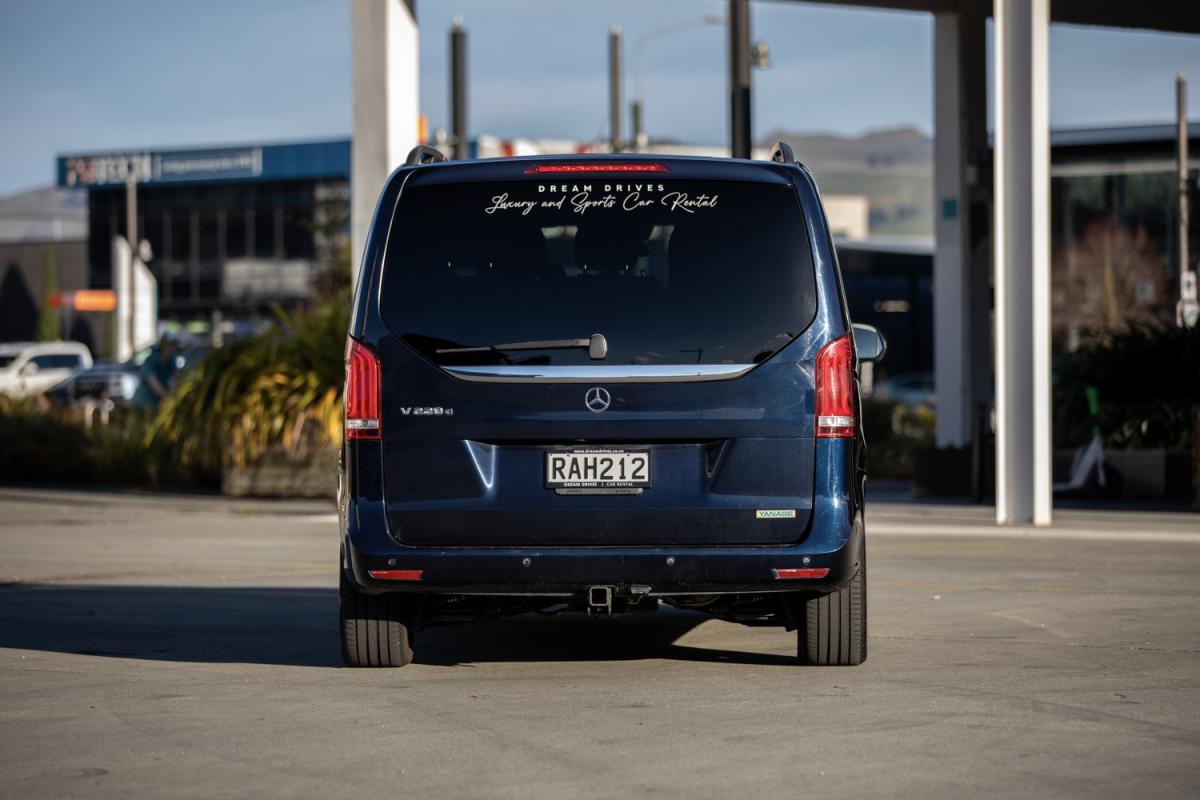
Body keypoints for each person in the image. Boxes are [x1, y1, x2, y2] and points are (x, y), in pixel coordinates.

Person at [130, 335, 179, 411]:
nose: (174, 349)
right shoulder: (150, 361)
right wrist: (168, 397)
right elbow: (154, 384)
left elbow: (175, 379)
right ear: (165, 345)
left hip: (156, 404)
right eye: (172, 345)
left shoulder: (171, 361)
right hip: (142, 404)